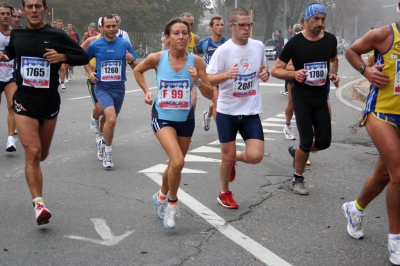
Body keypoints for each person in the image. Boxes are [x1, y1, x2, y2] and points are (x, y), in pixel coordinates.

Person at [0, 0, 89, 225]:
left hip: (49, 102)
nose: (33, 10)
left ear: (45, 10)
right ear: (23, 10)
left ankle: (35, 184)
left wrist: (63, 58)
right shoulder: (17, 34)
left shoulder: (57, 35)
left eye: (38, 6)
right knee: (32, 151)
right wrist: (4, 56)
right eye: (29, 6)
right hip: (24, 101)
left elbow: (83, 57)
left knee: (42, 155)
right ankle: (39, 205)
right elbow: (11, 51)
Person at [133, 17, 213, 229]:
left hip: (185, 119)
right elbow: (137, 70)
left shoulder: (196, 61)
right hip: (162, 116)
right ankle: (172, 203)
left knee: (173, 164)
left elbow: (210, 92)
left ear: (189, 37)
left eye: (184, 33)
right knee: (177, 161)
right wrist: (147, 91)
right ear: (167, 37)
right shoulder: (157, 58)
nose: (181, 37)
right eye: (176, 33)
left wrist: (197, 81)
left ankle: (160, 195)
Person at [343, 17, 400, 265]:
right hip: (381, 113)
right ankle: (396, 241)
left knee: (384, 174)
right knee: (399, 173)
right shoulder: (385, 35)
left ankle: (354, 209)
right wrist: (365, 70)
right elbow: (351, 50)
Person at [271, 3, 339, 195]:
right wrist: (294, 75)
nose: (320, 23)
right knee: (306, 140)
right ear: (306, 20)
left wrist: (333, 73)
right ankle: (297, 179)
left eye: (323, 20)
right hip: (301, 97)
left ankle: (297, 151)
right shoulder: (295, 43)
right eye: (316, 19)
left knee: (324, 142)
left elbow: (334, 59)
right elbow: (275, 69)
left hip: (321, 97)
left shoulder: (330, 40)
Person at [207, 8, 270, 209]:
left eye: (249, 24)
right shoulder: (223, 51)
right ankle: (224, 192)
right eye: (242, 25)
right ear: (232, 26)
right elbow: (207, 78)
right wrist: (226, 75)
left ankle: (235, 159)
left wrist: (264, 74)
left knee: (255, 156)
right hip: (227, 111)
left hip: (250, 111)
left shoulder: (258, 46)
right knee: (226, 157)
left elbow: (263, 68)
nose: (246, 28)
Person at [84, 15, 137, 169]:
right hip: (102, 88)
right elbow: (84, 59)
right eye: (108, 26)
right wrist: (90, 72)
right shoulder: (96, 44)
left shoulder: (124, 43)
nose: (112, 29)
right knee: (111, 119)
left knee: (109, 122)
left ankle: (101, 140)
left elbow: (136, 67)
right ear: (102, 27)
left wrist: (131, 60)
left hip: (119, 88)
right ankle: (108, 153)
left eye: (114, 26)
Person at [196, 15, 227, 131]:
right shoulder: (204, 43)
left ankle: (208, 114)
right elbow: (195, 56)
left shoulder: (227, 43)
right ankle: (222, 133)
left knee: (219, 103)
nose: (220, 27)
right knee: (216, 101)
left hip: (224, 78)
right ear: (211, 28)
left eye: (222, 25)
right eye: (217, 25)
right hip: (210, 78)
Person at [82, 17, 105, 160]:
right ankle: (95, 116)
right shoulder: (92, 41)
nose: (109, 29)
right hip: (95, 79)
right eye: (104, 26)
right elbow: (81, 54)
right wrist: (90, 71)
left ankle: (101, 137)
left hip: (110, 81)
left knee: (110, 113)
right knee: (99, 108)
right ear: (100, 27)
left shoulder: (118, 42)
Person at [0, 3, 18, 152]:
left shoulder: (16, 34)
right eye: (2, 13)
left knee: (12, 105)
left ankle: (10, 140)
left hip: (10, 75)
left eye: (8, 14)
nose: (5, 16)